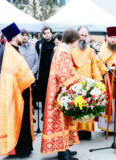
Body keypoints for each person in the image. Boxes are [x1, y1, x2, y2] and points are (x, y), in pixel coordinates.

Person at [41, 28, 80, 160]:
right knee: (61, 120)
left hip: (59, 88)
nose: (77, 44)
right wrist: (76, 83)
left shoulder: (61, 49)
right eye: (77, 41)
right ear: (72, 40)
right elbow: (63, 73)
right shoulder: (63, 51)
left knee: (64, 120)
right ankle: (63, 153)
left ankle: (65, 148)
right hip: (61, 90)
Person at [0, 23, 35, 157]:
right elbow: (13, 72)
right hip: (17, 91)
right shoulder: (9, 51)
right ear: (14, 37)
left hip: (21, 90)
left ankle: (24, 147)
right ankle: (20, 149)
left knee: (22, 120)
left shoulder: (13, 49)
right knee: (17, 120)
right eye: (19, 34)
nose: (22, 36)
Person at [70, 26, 102, 140]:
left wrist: (99, 81)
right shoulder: (71, 49)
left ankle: (86, 132)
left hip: (88, 84)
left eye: (85, 35)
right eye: (81, 35)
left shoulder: (90, 50)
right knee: (76, 108)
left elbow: (94, 66)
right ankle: (75, 133)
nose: (83, 37)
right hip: (75, 83)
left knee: (87, 108)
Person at [35, 26, 55, 120]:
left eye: (48, 33)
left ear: (51, 33)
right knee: (43, 94)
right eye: (45, 33)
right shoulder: (39, 43)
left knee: (52, 93)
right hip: (42, 73)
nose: (46, 35)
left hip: (52, 71)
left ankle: (52, 112)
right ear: (42, 34)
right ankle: (44, 113)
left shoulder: (55, 43)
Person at [19, 29, 39, 112]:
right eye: (22, 35)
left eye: (26, 35)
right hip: (21, 77)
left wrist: (32, 72)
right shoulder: (18, 48)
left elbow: (36, 61)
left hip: (31, 76)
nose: (24, 37)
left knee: (31, 97)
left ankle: (31, 114)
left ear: (28, 36)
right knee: (22, 97)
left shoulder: (32, 48)